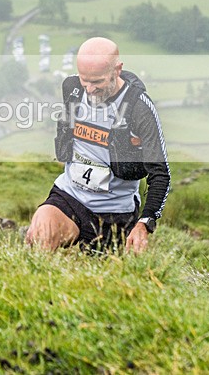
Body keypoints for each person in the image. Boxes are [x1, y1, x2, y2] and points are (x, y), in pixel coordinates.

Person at [26, 37, 170, 253]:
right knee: (40, 232)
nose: (90, 89)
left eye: (98, 82)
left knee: (102, 280)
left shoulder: (139, 108)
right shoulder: (73, 89)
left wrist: (144, 224)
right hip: (70, 195)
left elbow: (160, 173)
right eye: (85, 80)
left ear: (117, 69)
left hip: (115, 213)